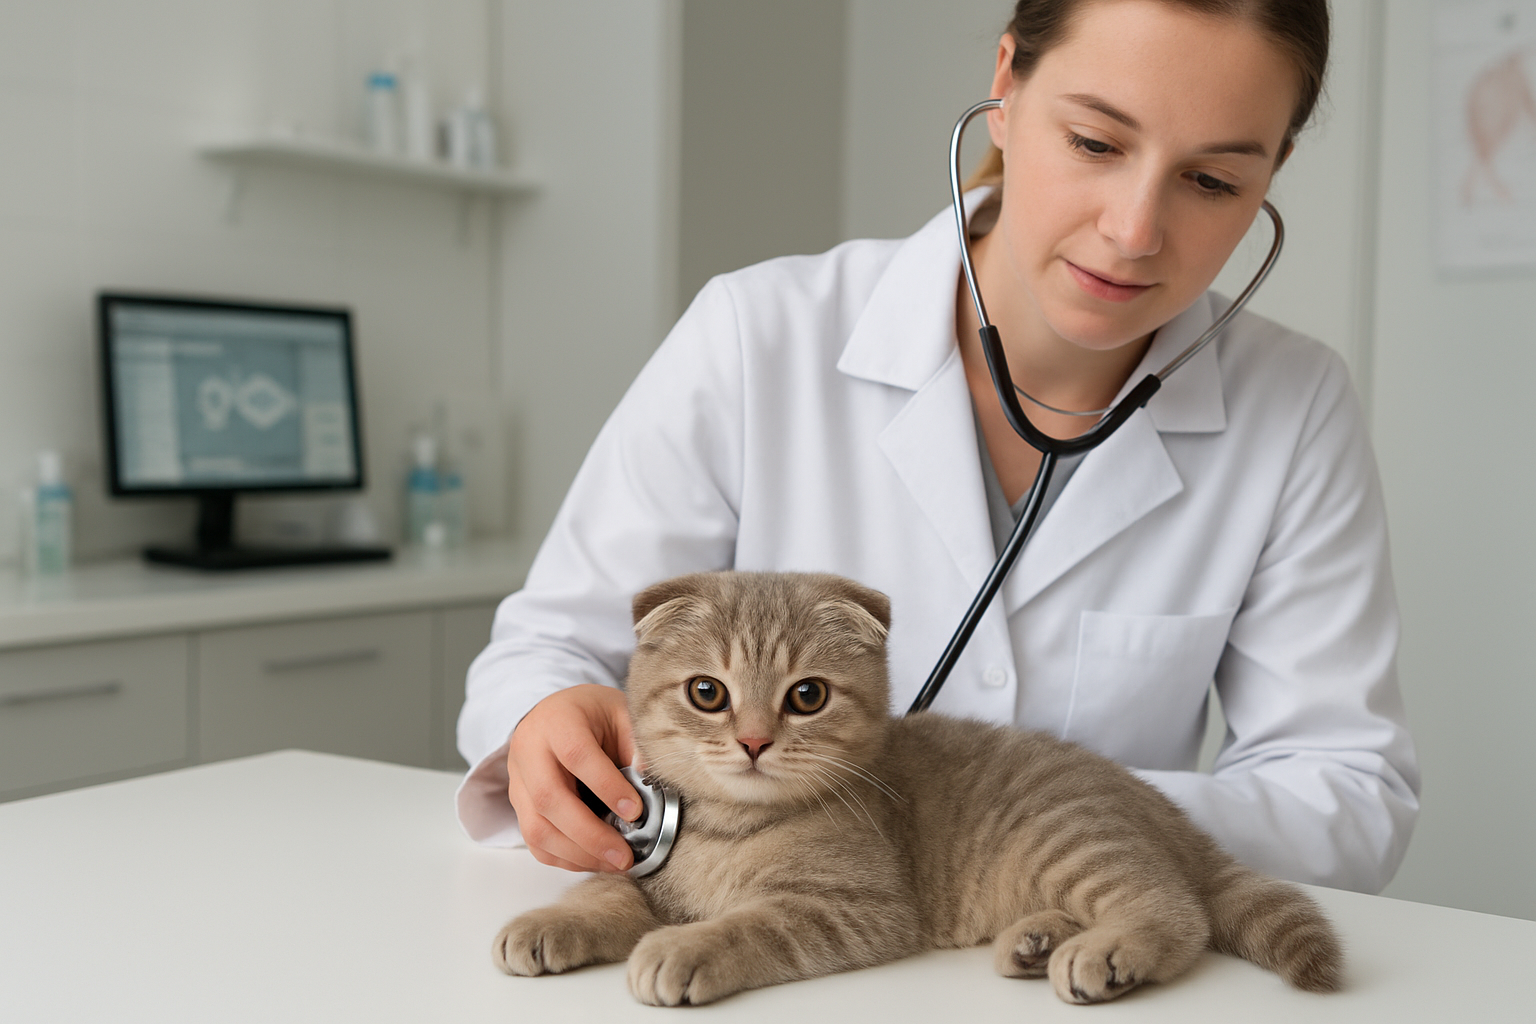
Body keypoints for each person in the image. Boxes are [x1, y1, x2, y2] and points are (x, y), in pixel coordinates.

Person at [457, 0, 1420, 893]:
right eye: (1094, 142)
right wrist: (546, 718)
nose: (1133, 231)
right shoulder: (759, 336)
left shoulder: (1295, 406)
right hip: (778, 942)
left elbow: (1344, 790)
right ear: (1006, 85)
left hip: (1089, 950)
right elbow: (546, 654)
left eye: (1212, 181)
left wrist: (1017, 818)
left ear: (1273, 172)